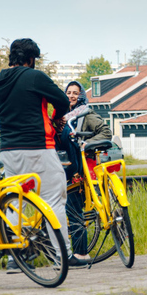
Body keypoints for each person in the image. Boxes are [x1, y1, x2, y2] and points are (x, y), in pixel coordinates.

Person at [0, 38, 90, 270]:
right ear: (31, 59)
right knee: (54, 198)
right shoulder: (34, 77)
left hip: (8, 150)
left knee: (16, 202)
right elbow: (63, 101)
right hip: (37, 146)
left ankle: (15, 258)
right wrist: (56, 119)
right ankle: (62, 256)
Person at [56, 80, 113, 259]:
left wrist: (86, 144)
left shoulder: (86, 114)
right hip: (61, 166)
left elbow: (105, 131)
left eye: (75, 93)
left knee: (74, 209)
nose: (71, 96)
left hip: (79, 169)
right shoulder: (61, 114)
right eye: (68, 92)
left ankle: (81, 253)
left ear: (81, 96)